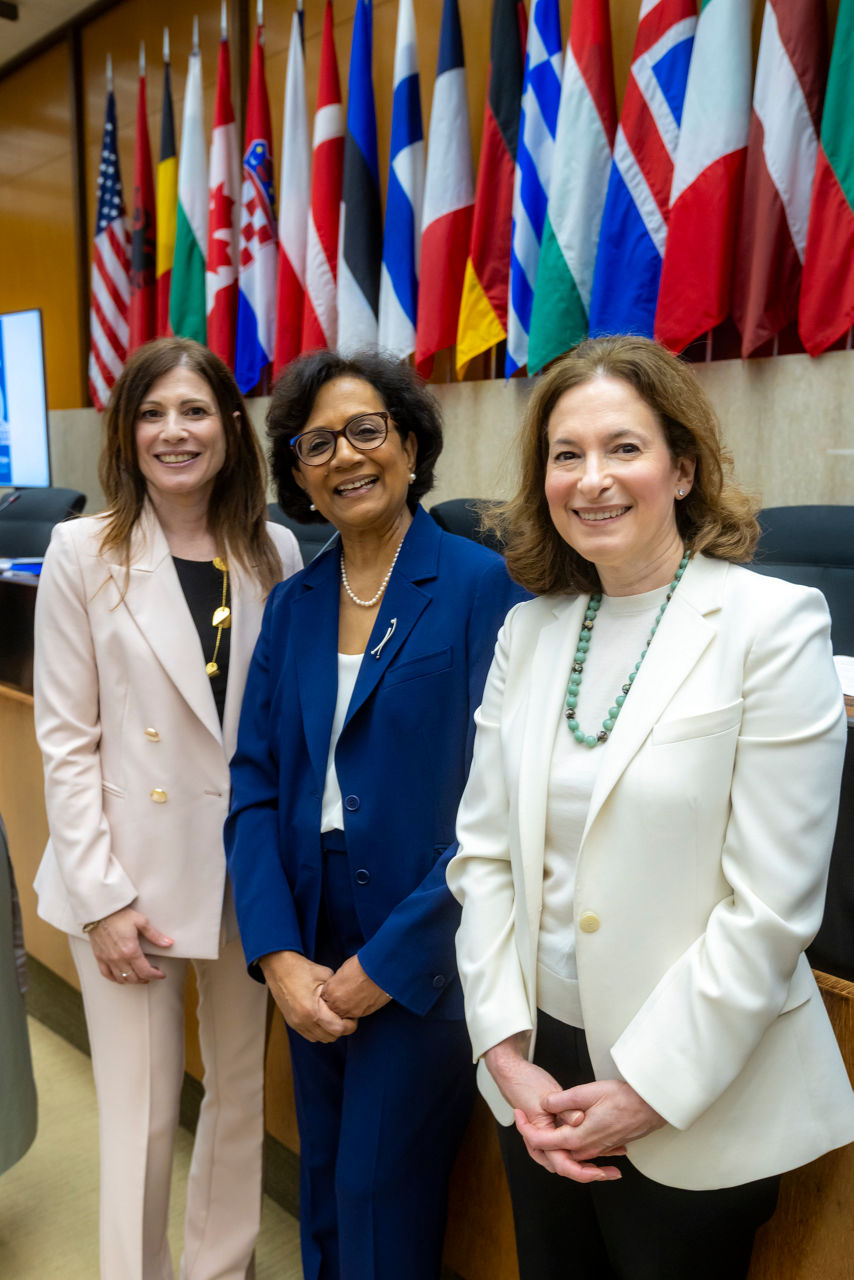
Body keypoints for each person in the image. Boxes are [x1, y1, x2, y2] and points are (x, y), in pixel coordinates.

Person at [448, 335, 854, 1280]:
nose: (592, 479)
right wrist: (503, 1049)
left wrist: (648, 1088)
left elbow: (771, 908)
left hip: (697, 1077)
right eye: (566, 454)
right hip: (537, 1067)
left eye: (624, 448)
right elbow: (483, 856)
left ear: (683, 468)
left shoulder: (772, 624)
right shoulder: (528, 632)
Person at [224, 350, 526, 1280]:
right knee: (322, 1186)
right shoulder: (293, 604)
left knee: (376, 1197)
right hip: (309, 930)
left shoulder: (481, 585)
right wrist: (277, 954)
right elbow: (254, 786)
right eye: (318, 443)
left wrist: (386, 965)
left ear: (410, 445)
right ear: (299, 473)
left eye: (366, 430)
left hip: (423, 939)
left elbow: (500, 809)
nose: (346, 457)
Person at [33, 337, 302, 1280]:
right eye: (152, 414)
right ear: (126, 432)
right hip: (125, 873)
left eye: (193, 411)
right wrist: (101, 898)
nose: (173, 432)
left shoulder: (274, 548)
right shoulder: (82, 550)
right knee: (141, 1115)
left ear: (230, 424)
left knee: (238, 1097)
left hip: (242, 868)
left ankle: (220, 1268)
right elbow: (65, 740)